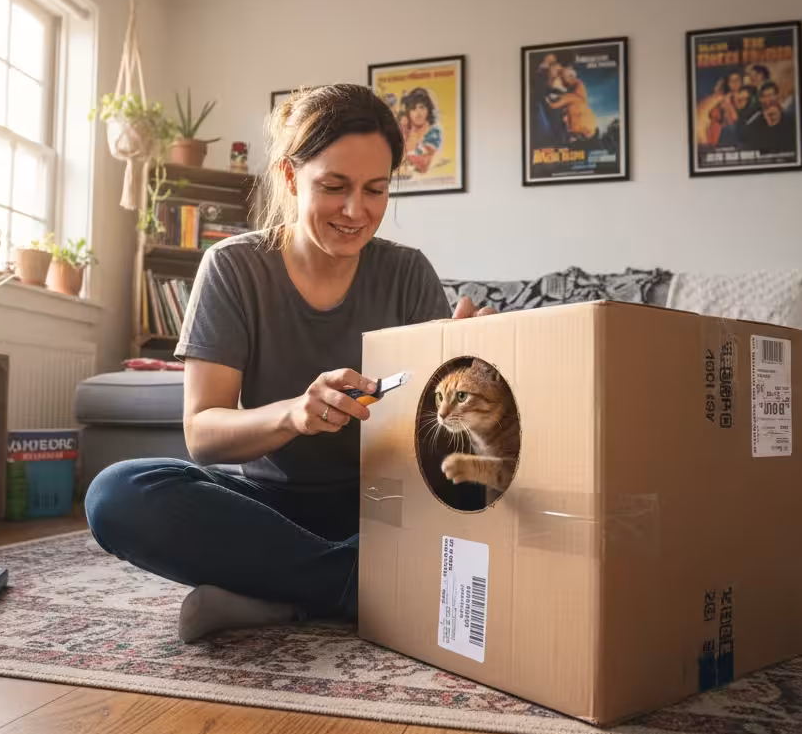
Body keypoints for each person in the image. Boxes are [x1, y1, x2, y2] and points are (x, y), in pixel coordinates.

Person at [84, 83, 494, 643]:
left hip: (388, 506)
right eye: (334, 187)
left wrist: (474, 369)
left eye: (376, 189)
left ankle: (284, 597)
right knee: (117, 494)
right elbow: (203, 434)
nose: (357, 211)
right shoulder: (233, 269)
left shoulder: (407, 272)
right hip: (269, 513)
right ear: (289, 176)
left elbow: (440, 441)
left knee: (483, 491)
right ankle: (363, 588)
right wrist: (293, 416)